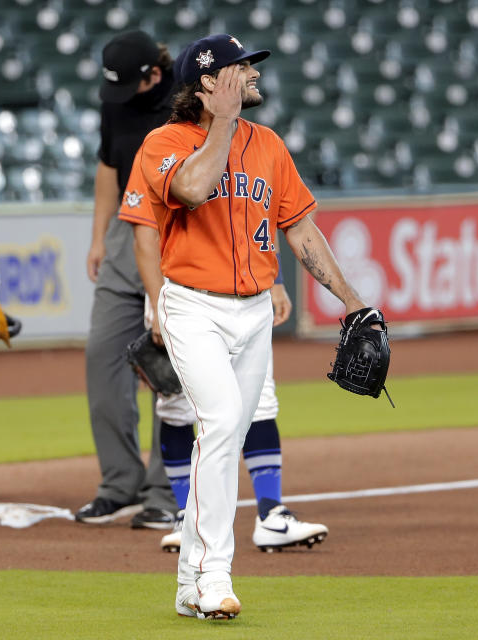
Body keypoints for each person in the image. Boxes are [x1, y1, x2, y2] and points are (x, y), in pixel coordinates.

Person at [136, 34, 372, 620]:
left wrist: (353, 302)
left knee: (222, 440)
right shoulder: (164, 143)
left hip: (254, 312)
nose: (251, 75)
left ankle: (190, 583)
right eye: (240, 69)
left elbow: (301, 231)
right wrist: (222, 121)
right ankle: (216, 576)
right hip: (192, 306)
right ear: (208, 83)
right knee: (217, 426)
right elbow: (191, 188)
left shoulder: (267, 145)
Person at [117, 171, 329, 554]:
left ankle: (271, 512)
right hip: (180, 294)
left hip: (245, 291)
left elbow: (256, 217)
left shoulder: (247, 143)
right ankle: (186, 517)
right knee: (179, 406)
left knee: (260, 397)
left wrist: (276, 279)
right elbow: (144, 234)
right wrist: (159, 304)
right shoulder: (164, 146)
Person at [75, 30, 179, 529]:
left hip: (178, 237)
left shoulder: (188, 96)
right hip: (125, 232)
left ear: (155, 75)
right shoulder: (117, 102)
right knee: (102, 354)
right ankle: (120, 483)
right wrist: (99, 236)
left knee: (171, 366)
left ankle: (167, 488)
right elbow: (106, 167)